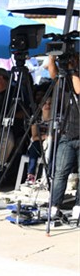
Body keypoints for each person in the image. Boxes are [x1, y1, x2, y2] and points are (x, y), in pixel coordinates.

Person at [48, 50, 80, 219]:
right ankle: (54, 206)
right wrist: (52, 57)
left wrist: (74, 70)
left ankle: (78, 206)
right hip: (67, 133)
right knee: (60, 173)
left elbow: (78, 90)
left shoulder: (75, 76)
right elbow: (53, 75)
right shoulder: (65, 78)